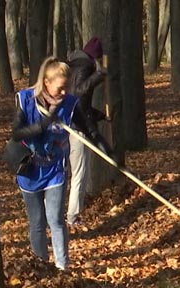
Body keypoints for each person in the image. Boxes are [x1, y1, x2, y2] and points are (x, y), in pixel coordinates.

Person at [11, 57, 107, 271]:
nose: (64, 93)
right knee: (37, 222)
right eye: (60, 88)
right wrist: (42, 125)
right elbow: (16, 133)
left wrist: (106, 149)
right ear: (46, 82)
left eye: (67, 87)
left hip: (55, 169)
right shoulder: (25, 100)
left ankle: (63, 267)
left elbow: (89, 129)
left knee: (56, 219)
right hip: (30, 171)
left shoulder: (70, 103)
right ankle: (41, 266)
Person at [64, 37, 109, 226]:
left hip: (64, 124)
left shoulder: (72, 65)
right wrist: (99, 75)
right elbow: (80, 93)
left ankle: (59, 213)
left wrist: (99, 116)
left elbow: (79, 103)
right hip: (76, 128)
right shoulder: (84, 68)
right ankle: (73, 216)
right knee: (80, 173)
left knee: (66, 171)